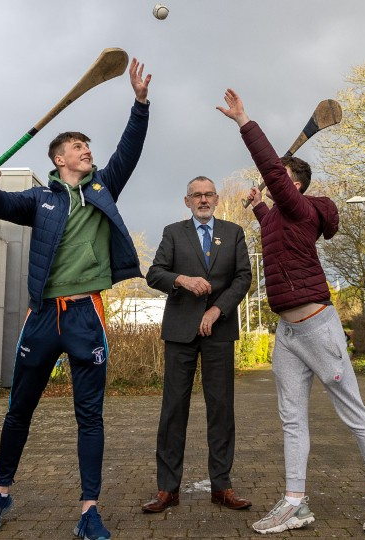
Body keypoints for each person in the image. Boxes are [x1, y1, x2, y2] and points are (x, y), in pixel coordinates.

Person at [0, 58, 151, 540]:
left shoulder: (101, 189)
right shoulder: (40, 199)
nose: (87, 151)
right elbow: (1, 205)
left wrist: (139, 105)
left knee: (90, 415)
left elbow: (127, 154)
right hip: (43, 316)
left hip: (85, 315)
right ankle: (0, 494)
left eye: (88, 146)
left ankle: (89, 509)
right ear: (59, 160)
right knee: (19, 409)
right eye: (78, 147)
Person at [216, 89, 365, 534]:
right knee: (291, 419)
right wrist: (256, 204)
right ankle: (295, 502)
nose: (276, 185)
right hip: (287, 335)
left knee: (352, 413)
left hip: (319, 327)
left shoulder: (302, 210)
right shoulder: (279, 217)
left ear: (293, 185)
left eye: (281, 180)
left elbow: (273, 177)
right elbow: (267, 218)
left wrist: (245, 122)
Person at [142, 176, 252, 514]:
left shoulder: (233, 233)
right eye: (196, 195)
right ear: (187, 201)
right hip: (180, 332)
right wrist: (182, 280)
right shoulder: (173, 233)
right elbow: (154, 273)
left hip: (219, 331)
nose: (203, 200)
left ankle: (222, 487)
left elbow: (243, 277)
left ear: (217, 199)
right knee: (174, 410)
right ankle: (167, 490)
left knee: (221, 410)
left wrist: (218, 309)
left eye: (208, 195)